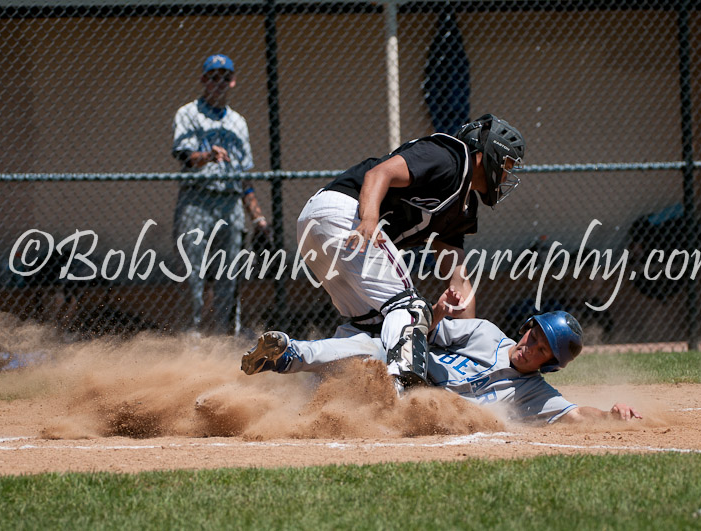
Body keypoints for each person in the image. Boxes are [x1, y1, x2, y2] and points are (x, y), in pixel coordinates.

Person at [296, 114, 525, 388]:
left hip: (317, 227)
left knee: (371, 328)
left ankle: (313, 389)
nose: (506, 175)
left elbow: (459, 281)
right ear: (487, 154)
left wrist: (469, 343)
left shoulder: (463, 207)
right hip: (346, 214)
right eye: (507, 164)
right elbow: (379, 173)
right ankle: (402, 385)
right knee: (411, 308)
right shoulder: (449, 157)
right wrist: (369, 219)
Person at [240, 288, 642, 424]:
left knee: (326, 402)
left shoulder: (534, 393)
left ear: (549, 364)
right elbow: (423, 334)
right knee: (374, 346)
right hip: (399, 376)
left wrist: (611, 415)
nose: (529, 346)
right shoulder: (486, 333)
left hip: (408, 407)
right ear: (527, 328)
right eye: (533, 335)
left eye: (541, 350)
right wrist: (436, 311)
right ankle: (286, 355)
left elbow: (574, 414)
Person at [172, 54, 270, 336]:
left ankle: (226, 337)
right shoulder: (188, 113)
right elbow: (184, 155)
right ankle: (191, 337)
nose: (219, 82)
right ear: (204, 80)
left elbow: (243, 175)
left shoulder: (238, 122)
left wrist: (258, 217)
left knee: (230, 274)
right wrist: (208, 156)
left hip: (230, 201)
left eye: (225, 77)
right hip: (197, 198)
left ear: (233, 81)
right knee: (192, 273)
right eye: (213, 77)